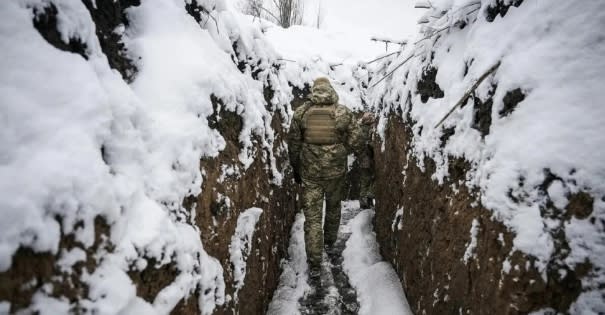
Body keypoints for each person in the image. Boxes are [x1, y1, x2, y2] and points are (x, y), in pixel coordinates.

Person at [287, 77, 365, 285]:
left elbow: (293, 144)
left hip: (310, 174)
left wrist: (296, 168)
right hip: (335, 172)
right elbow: (357, 141)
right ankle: (330, 244)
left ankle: (314, 264)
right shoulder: (343, 112)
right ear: (330, 90)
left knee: (312, 219)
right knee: (333, 207)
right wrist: (344, 150)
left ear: (314, 91)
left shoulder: (301, 113)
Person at [358, 112, 376, 209]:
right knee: (373, 177)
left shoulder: (359, 128)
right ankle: (368, 197)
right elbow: (370, 143)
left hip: (362, 157)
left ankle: (364, 201)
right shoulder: (368, 129)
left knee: (365, 179)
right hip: (368, 157)